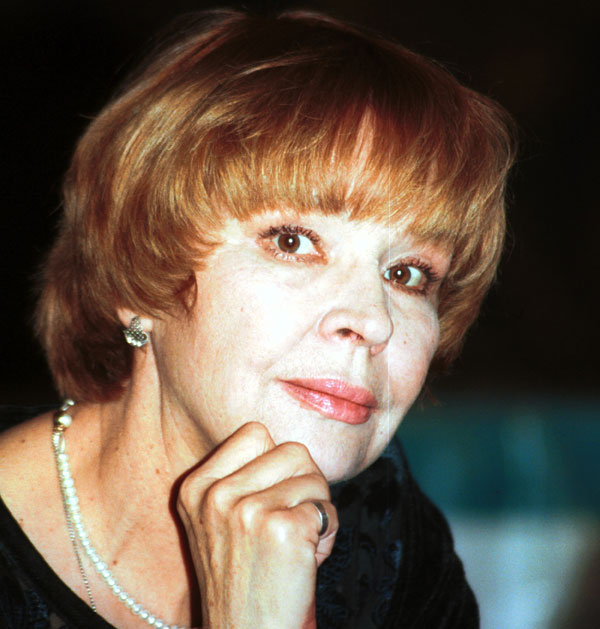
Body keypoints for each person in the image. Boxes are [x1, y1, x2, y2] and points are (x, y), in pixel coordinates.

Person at [0, 9, 515, 629]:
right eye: (293, 242)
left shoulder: (388, 539)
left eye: (407, 274)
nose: (373, 321)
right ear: (139, 278)